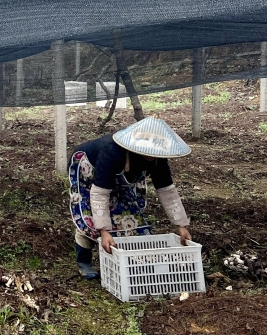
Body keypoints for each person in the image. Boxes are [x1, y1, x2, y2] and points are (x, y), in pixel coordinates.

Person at [68, 117, 193, 280]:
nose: (152, 157)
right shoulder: (111, 152)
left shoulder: (158, 158)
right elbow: (99, 193)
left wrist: (181, 224)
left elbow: (166, 190)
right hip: (88, 168)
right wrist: (104, 231)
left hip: (123, 178)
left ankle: (127, 261)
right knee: (90, 218)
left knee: (130, 215)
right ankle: (84, 261)